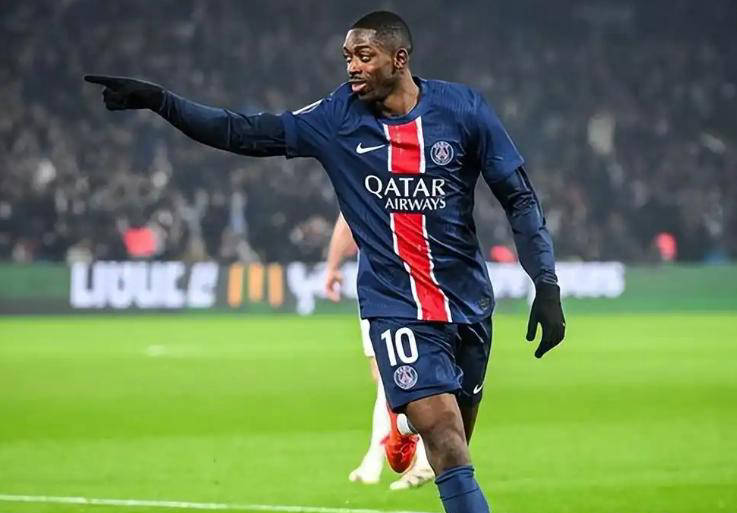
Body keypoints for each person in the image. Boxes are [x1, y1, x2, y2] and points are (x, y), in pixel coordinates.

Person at [85, 10, 566, 513]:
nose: (351, 66)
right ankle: (414, 412)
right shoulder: (337, 118)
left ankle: (403, 422)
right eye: (347, 57)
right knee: (446, 440)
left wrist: (546, 283)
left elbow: (518, 197)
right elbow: (244, 132)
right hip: (396, 306)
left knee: (456, 441)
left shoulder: (463, 110)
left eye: (364, 56)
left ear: (399, 59)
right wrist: (161, 101)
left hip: (467, 304)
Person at [324, 212, 434, 490]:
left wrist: (333, 266)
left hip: (382, 285)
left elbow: (346, 220)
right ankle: (379, 457)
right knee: (402, 374)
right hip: (423, 278)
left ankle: (418, 457)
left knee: (394, 375)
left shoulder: (366, 185)